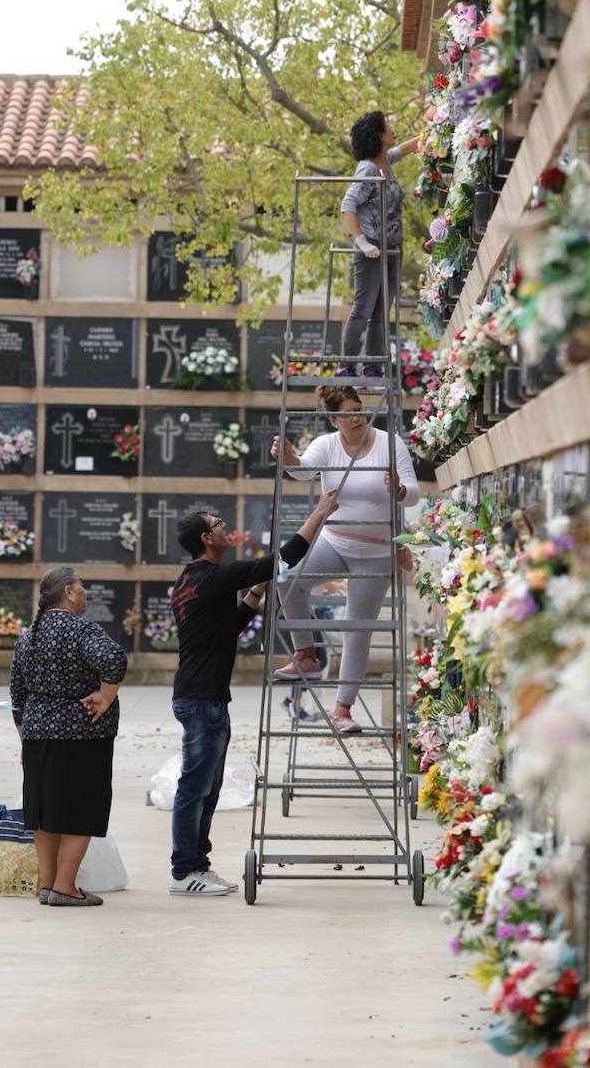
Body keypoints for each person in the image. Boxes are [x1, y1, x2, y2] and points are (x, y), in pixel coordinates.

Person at [168, 491, 337, 896]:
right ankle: (183, 871)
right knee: (194, 789)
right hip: (201, 701)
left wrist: (257, 592)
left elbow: (229, 629)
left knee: (207, 789)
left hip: (204, 697)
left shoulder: (190, 582)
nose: (226, 529)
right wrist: (319, 513)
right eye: (219, 524)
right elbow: (284, 558)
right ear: (207, 539)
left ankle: (198, 865)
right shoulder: (212, 576)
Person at [271, 384, 421, 733]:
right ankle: (306, 655)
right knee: (285, 577)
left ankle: (342, 711)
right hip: (336, 542)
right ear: (334, 418)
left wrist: (398, 489)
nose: (358, 416)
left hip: (377, 552)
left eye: (360, 408)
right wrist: (291, 459)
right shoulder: (326, 445)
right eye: (349, 412)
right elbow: (305, 471)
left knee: (357, 629)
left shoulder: (389, 443)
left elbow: (412, 494)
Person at [9, 567, 128, 908]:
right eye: (82, 586)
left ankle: (48, 885)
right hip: (81, 735)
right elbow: (114, 659)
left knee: (43, 810)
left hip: (36, 735)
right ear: (69, 593)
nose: (85, 591)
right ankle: (65, 887)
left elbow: (18, 697)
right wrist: (105, 696)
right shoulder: (80, 630)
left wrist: (24, 738)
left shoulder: (27, 636)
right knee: (80, 807)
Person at [338, 110, 420, 377]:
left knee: (381, 312)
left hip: (392, 249)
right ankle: (346, 365)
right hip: (371, 250)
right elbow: (348, 204)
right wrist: (361, 241)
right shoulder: (369, 168)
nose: (392, 128)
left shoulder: (385, 160)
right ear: (378, 135)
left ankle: (372, 367)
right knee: (363, 309)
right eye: (388, 126)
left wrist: (435, 129)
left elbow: (405, 148)